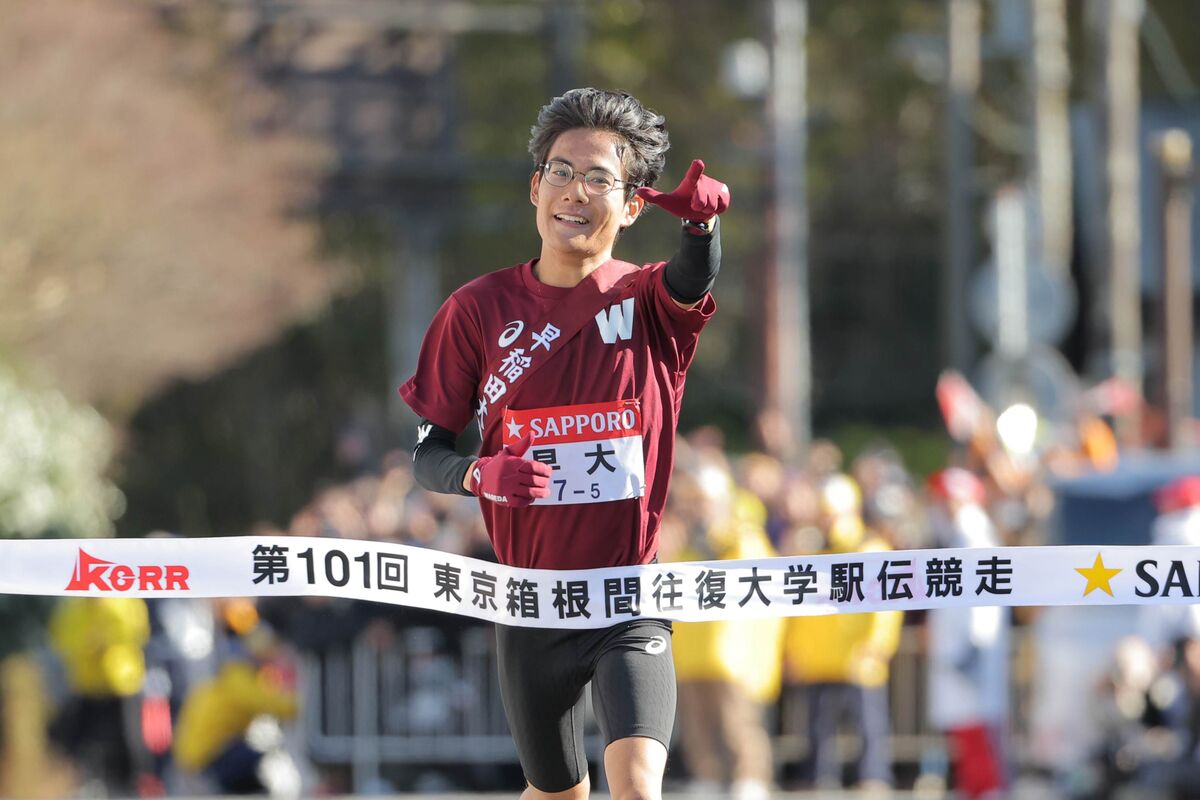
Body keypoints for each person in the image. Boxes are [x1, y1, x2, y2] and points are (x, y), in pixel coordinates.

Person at [399, 87, 729, 800]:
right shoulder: (475, 311)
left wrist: (702, 232)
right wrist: (478, 476)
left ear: (634, 204)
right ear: (534, 187)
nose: (575, 192)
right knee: (559, 796)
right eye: (560, 172)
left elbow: (689, 280)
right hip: (529, 603)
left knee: (638, 786)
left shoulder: (646, 302)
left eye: (600, 178)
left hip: (627, 596)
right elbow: (428, 454)